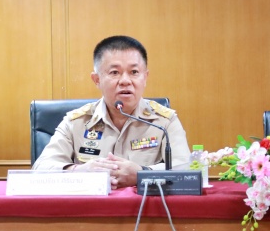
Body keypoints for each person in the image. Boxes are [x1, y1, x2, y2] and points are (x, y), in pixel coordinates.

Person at [32, 35, 189, 189]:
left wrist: (143, 173)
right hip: (92, 205)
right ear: (97, 80)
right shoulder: (76, 122)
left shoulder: (164, 122)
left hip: (144, 205)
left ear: (145, 77)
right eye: (114, 72)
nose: (125, 81)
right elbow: (40, 169)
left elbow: (186, 169)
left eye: (134, 72)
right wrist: (78, 170)